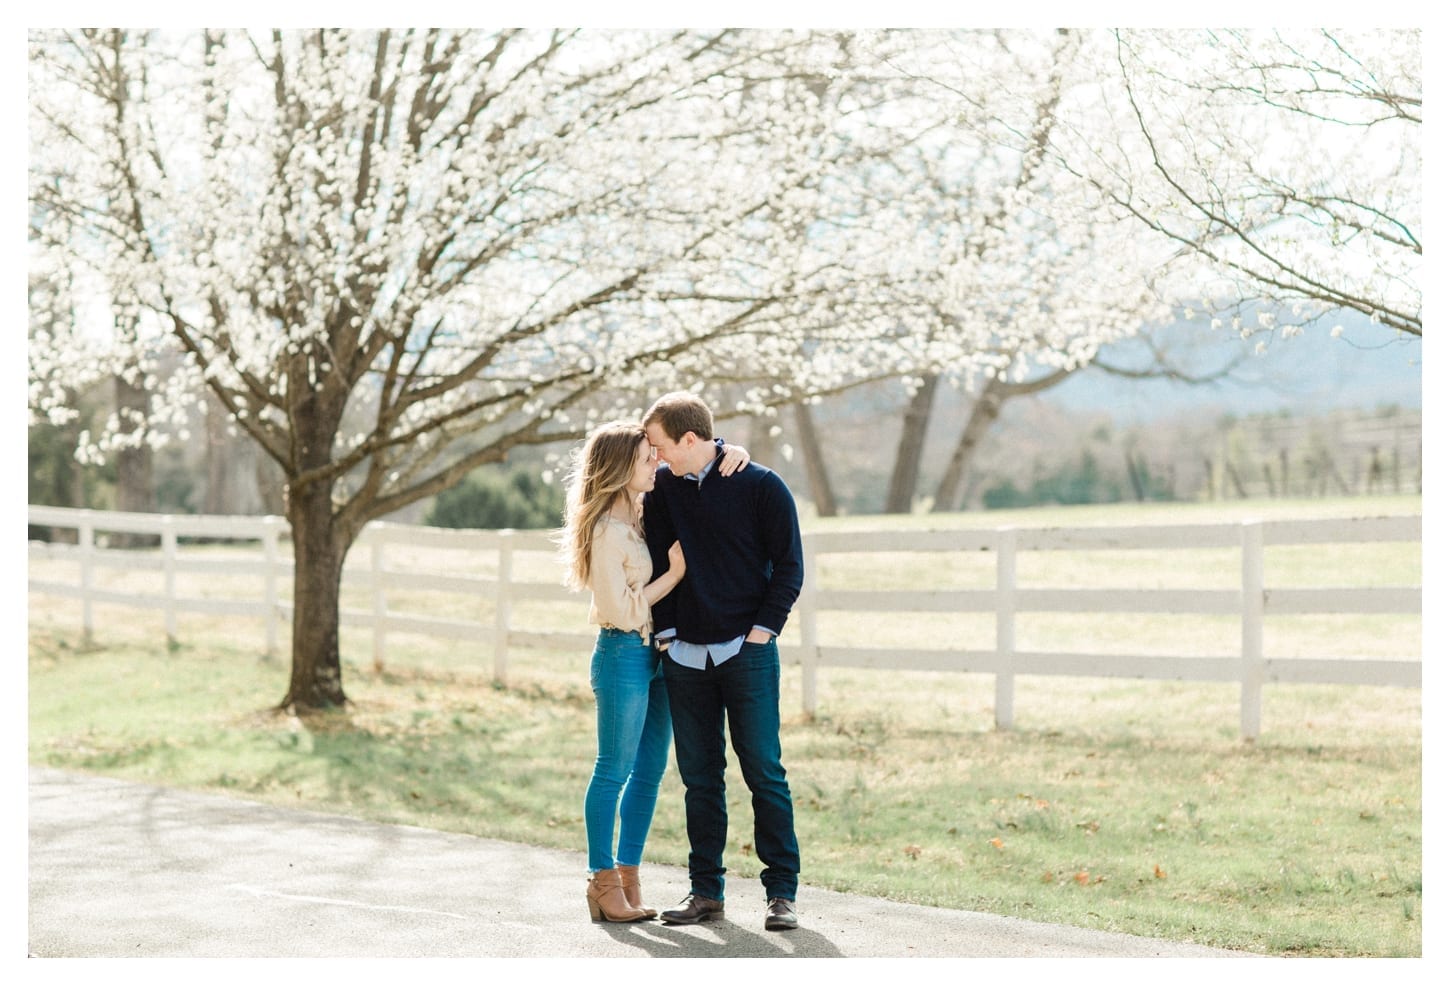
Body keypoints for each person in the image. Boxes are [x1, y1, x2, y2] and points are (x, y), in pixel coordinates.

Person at [559, 420, 749, 923]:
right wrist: (674, 577)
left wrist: (733, 451)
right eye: (647, 458)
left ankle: (628, 877)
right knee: (613, 771)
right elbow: (622, 611)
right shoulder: (604, 530)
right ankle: (601, 882)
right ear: (622, 467)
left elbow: (701, 454)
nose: (656, 464)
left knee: (648, 775)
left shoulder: (644, 510)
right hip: (623, 652)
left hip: (658, 656)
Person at [640, 392, 805, 932]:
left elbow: (789, 567)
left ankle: (781, 893)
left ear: (690, 440)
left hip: (746, 652)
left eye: (662, 446)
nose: (657, 457)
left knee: (764, 772)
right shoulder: (663, 489)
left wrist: (762, 633)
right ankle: (705, 891)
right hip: (684, 655)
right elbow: (658, 560)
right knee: (700, 779)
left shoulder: (761, 485)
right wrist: (665, 632)